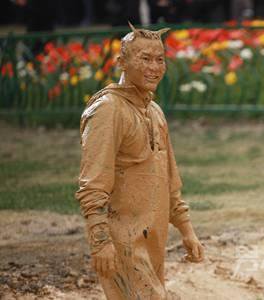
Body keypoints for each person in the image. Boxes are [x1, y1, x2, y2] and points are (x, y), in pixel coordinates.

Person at [75, 22, 204, 299]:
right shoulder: (108, 109)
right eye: (145, 58)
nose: (154, 67)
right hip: (121, 242)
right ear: (122, 62)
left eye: (160, 59)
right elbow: (92, 184)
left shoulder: (155, 111)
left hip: (152, 243)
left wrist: (187, 230)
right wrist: (100, 242)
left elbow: (169, 181)